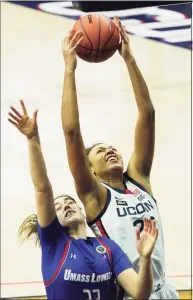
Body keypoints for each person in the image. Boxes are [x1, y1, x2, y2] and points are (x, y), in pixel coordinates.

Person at [61, 17, 179, 299]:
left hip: (166, 290)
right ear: (91, 169)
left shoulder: (139, 179)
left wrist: (129, 59)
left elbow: (147, 115)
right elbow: (71, 132)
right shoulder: (94, 196)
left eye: (112, 147)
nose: (110, 150)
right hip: (131, 293)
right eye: (100, 151)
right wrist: (69, 70)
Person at [9, 100, 158, 300]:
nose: (65, 206)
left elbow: (141, 293)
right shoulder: (54, 245)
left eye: (69, 202)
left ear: (82, 211)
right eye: (58, 207)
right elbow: (42, 188)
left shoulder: (108, 247)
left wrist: (145, 258)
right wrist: (32, 139)